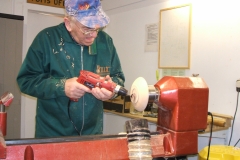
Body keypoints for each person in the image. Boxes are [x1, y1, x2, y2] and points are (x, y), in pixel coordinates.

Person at [16, 0, 125, 138]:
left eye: (98, 28)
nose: (94, 35)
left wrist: (111, 92)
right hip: (53, 136)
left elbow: (118, 78)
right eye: (87, 28)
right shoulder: (47, 39)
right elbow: (26, 81)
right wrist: (62, 86)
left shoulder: (106, 42)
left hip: (92, 135)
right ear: (68, 24)